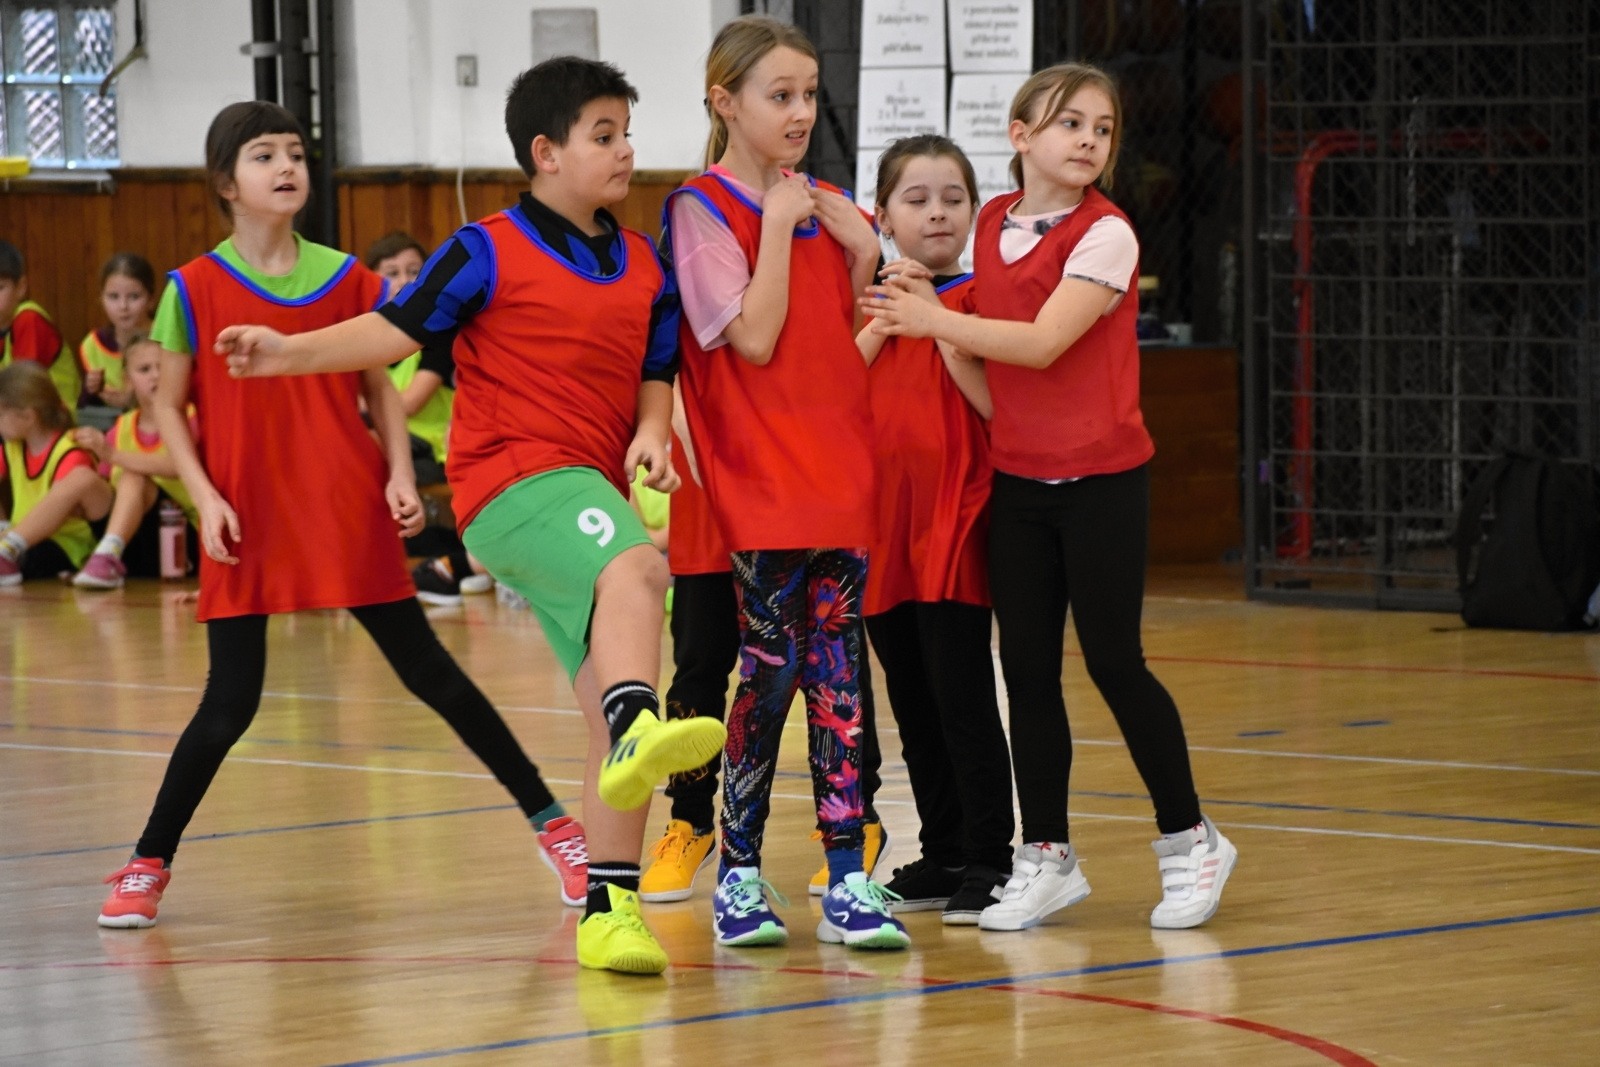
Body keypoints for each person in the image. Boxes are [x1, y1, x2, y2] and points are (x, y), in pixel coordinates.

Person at [216, 62, 727, 976]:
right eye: (603, 135)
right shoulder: (483, 248)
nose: (625, 151)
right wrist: (288, 351)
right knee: (645, 571)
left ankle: (609, 911)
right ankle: (639, 721)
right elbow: (395, 329)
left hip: (585, 495)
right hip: (511, 484)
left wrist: (653, 430)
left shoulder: (645, 263)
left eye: (627, 133)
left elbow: (659, 368)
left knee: (610, 716)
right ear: (546, 152)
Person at [95, 100, 590, 936]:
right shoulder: (190, 288)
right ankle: (148, 860)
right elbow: (171, 407)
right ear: (226, 183)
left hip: (342, 502)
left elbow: (380, 389)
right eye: (263, 155)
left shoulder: (349, 279)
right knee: (229, 701)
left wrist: (397, 470)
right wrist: (205, 494)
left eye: (295, 152)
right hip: (247, 512)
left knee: (432, 673)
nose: (286, 166)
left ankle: (556, 827)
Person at [862, 63, 1239, 932]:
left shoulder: (1107, 234)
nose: (1089, 141)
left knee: (1113, 662)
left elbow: (1038, 344)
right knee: (1027, 673)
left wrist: (936, 321)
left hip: (1102, 481)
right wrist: (940, 332)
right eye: (1071, 123)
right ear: (1022, 135)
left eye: (1103, 129)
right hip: (1021, 481)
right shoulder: (995, 220)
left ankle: (1192, 839)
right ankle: (1045, 856)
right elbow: (994, 384)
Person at [664, 14, 907, 950]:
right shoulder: (700, 209)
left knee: (840, 678)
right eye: (781, 96)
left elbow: (835, 347)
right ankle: (739, 873)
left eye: (810, 94)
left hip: (838, 465)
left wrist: (861, 255)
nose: (801, 112)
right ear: (726, 101)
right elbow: (756, 339)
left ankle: (848, 875)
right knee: (767, 677)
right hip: (759, 475)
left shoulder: (831, 204)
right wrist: (776, 225)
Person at [853, 135, 1017, 925]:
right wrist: (889, 318)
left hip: (956, 512)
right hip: (882, 523)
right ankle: (943, 848)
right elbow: (834, 395)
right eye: (916, 200)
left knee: (962, 692)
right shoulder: (868, 306)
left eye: (953, 198)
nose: (937, 213)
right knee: (912, 699)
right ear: (883, 216)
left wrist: (935, 317)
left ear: (975, 210)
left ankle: (991, 857)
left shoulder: (985, 299)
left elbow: (996, 405)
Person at [638, 435, 889, 904]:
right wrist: (703, 453)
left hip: (792, 477)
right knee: (698, 661)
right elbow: (670, 393)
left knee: (831, 662)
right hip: (708, 490)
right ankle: (690, 823)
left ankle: (859, 822)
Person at [71, 336, 198, 588]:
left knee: (133, 475)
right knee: (81, 479)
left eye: (163, 367)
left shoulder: (190, 416)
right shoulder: (121, 427)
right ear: (127, 380)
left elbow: (178, 466)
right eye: (145, 369)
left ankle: (106, 557)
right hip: (134, 539)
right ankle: (11, 548)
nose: (156, 376)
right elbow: (106, 488)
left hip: (180, 535)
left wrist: (113, 455)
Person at [0, 361, 111, 584]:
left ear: (28, 416)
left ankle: (6, 552)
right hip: (22, 540)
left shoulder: (70, 451)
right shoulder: (14, 446)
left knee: (36, 555)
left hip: (65, 547)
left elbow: (57, 512)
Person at [78, 253, 158, 423]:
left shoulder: (166, 338)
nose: (123, 306)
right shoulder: (93, 345)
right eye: (113, 297)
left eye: (134, 297)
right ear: (101, 298)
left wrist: (133, 399)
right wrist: (91, 390)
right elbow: (84, 410)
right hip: (110, 426)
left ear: (151, 299)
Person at [0, 240, 80, 408]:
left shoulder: (29, 319)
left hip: (54, 420)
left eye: (0, 288)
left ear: (21, 287)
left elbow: (22, 390)